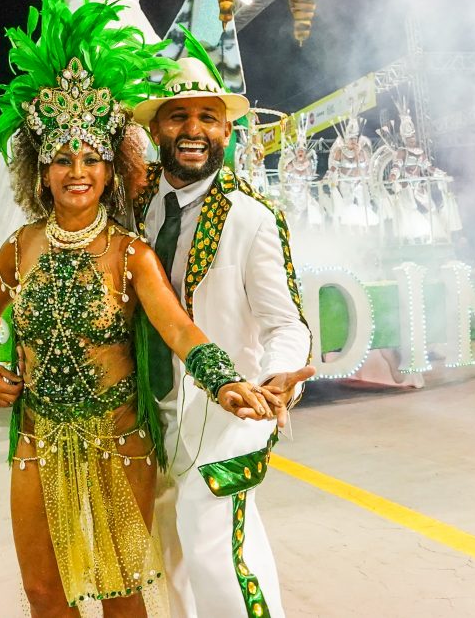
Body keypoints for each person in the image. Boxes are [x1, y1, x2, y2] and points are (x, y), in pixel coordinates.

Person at [0, 0, 292, 617]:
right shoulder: (18, 247)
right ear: (40, 170)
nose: (76, 171)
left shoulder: (131, 253)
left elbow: (179, 329)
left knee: (122, 598)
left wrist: (228, 384)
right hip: (37, 438)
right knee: (42, 592)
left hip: (120, 441)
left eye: (91, 158)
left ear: (112, 170)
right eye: (61, 159)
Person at [132, 43, 315, 618]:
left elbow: (287, 323)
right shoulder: (135, 212)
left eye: (207, 117)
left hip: (229, 413)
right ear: (157, 129)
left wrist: (276, 379)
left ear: (226, 129)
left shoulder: (252, 218)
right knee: (162, 562)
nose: (192, 129)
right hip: (149, 412)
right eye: (178, 115)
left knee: (218, 552)